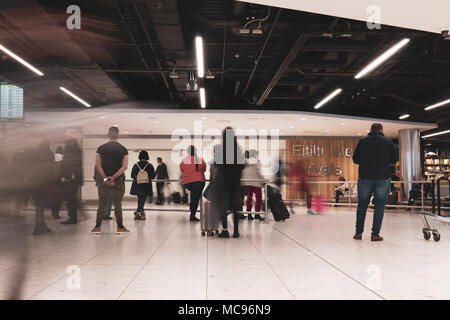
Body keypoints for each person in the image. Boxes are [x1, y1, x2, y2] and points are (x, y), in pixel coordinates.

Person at [353, 123, 397, 242]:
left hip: (365, 177)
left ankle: (358, 233)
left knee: (362, 205)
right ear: (382, 130)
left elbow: (355, 159)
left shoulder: (363, 141)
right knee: (379, 206)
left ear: (370, 130)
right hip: (382, 178)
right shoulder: (388, 142)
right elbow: (394, 159)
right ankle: (375, 234)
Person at [91, 126, 129, 234]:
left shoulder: (100, 148)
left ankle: (97, 227)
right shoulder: (123, 149)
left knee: (101, 204)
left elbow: (98, 165)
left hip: (103, 181)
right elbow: (124, 167)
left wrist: (105, 178)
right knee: (118, 204)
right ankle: (120, 227)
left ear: (108, 134)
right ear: (118, 135)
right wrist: (113, 177)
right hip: (118, 181)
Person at [209, 127, 245, 238]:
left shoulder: (222, 149)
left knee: (222, 206)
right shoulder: (237, 149)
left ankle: (225, 230)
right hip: (235, 182)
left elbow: (217, 164)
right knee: (235, 207)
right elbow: (242, 165)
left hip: (223, 182)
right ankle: (236, 231)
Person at [30, 139, 55, 235]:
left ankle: (42, 225)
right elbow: (51, 168)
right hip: (44, 184)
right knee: (40, 206)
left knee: (39, 206)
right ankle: (37, 228)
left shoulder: (34, 154)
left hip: (35, 183)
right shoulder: (50, 154)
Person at [60, 132, 83, 225]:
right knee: (72, 198)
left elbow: (70, 162)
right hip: (75, 178)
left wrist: (68, 176)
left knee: (71, 199)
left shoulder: (71, 147)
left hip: (71, 179)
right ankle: (75, 216)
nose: (64, 137)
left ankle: (72, 218)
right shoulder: (76, 147)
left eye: (66, 136)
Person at [180, 145, 206, 221]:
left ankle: (192, 214)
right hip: (198, 182)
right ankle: (193, 215)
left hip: (187, 182)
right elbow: (204, 169)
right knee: (195, 198)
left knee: (193, 197)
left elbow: (182, 170)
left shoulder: (184, 160)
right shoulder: (200, 159)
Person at [130, 150, 155, 220]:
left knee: (140, 198)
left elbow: (132, 175)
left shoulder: (135, 165)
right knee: (142, 199)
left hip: (137, 185)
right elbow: (153, 176)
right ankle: (140, 212)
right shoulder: (150, 165)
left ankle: (139, 212)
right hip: (146, 185)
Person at [241, 150, 264, 220]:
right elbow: (258, 172)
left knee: (249, 198)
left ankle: (249, 215)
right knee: (258, 198)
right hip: (256, 182)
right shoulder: (256, 162)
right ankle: (257, 214)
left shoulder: (244, 162)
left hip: (247, 183)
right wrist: (263, 180)